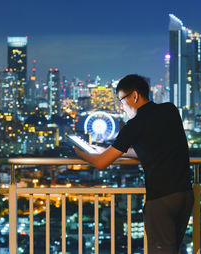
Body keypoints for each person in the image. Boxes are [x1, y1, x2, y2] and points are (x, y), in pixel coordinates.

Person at [75, 74, 194, 254]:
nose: (121, 107)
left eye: (121, 100)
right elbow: (151, 149)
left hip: (161, 199)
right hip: (184, 194)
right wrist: (106, 151)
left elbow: (100, 164)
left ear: (135, 96)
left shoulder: (134, 125)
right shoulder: (170, 110)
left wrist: (79, 152)